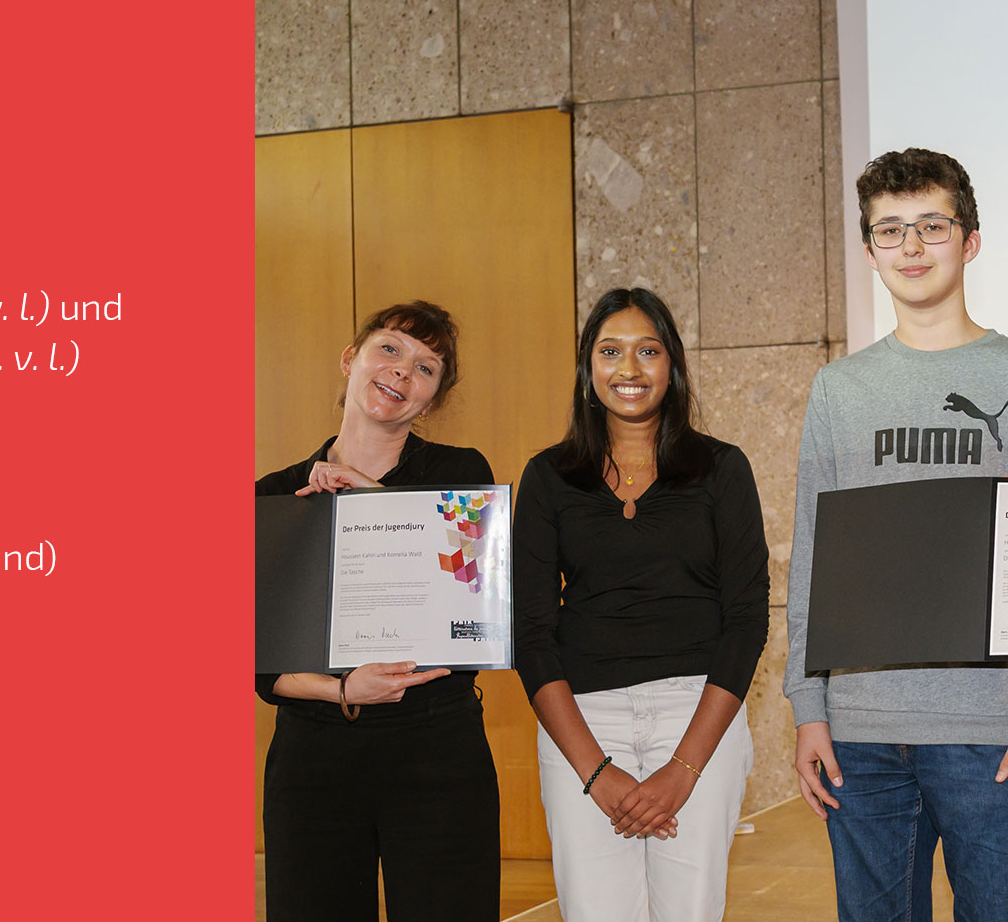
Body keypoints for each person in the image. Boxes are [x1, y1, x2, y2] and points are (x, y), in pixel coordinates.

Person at [785, 147, 1008, 921]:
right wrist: (809, 708)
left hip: (993, 733)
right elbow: (815, 551)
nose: (912, 247)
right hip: (860, 734)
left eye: (931, 226)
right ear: (869, 252)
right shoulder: (839, 388)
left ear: (970, 240)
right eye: (891, 231)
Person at [512, 287, 769, 921]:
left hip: (698, 717)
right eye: (610, 351)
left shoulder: (721, 468)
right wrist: (597, 773)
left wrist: (683, 770)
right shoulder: (549, 477)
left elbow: (746, 623)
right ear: (587, 369)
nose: (629, 370)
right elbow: (531, 635)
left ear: (672, 365)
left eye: (647, 351)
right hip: (582, 721)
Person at [253, 301, 499, 921]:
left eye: (426, 368)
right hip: (313, 759)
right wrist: (343, 690)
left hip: (438, 752)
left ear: (431, 401)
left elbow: (470, 601)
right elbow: (255, 661)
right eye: (388, 349)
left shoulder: (460, 476)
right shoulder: (273, 498)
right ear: (350, 360)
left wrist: (370, 494)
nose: (401, 372)